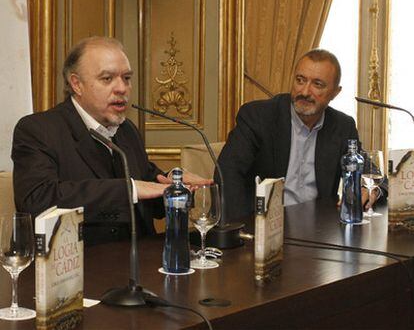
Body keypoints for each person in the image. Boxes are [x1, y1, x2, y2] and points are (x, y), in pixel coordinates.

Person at [12, 36, 210, 245]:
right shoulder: (39, 130)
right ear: (77, 84)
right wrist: (130, 189)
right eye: (107, 79)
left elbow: (148, 186)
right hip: (79, 265)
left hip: (140, 263)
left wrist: (175, 184)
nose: (122, 88)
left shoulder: (127, 131)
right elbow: (38, 201)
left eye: (126, 78)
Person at [217, 49, 385, 222]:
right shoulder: (258, 116)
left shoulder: (342, 126)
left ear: (335, 92)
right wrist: (241, 229)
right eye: (300, 80)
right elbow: (227, 172)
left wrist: (371, 189)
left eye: (317, 84)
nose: (305, 91)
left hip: (319, 229)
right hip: (265, 227)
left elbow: (375, 176)